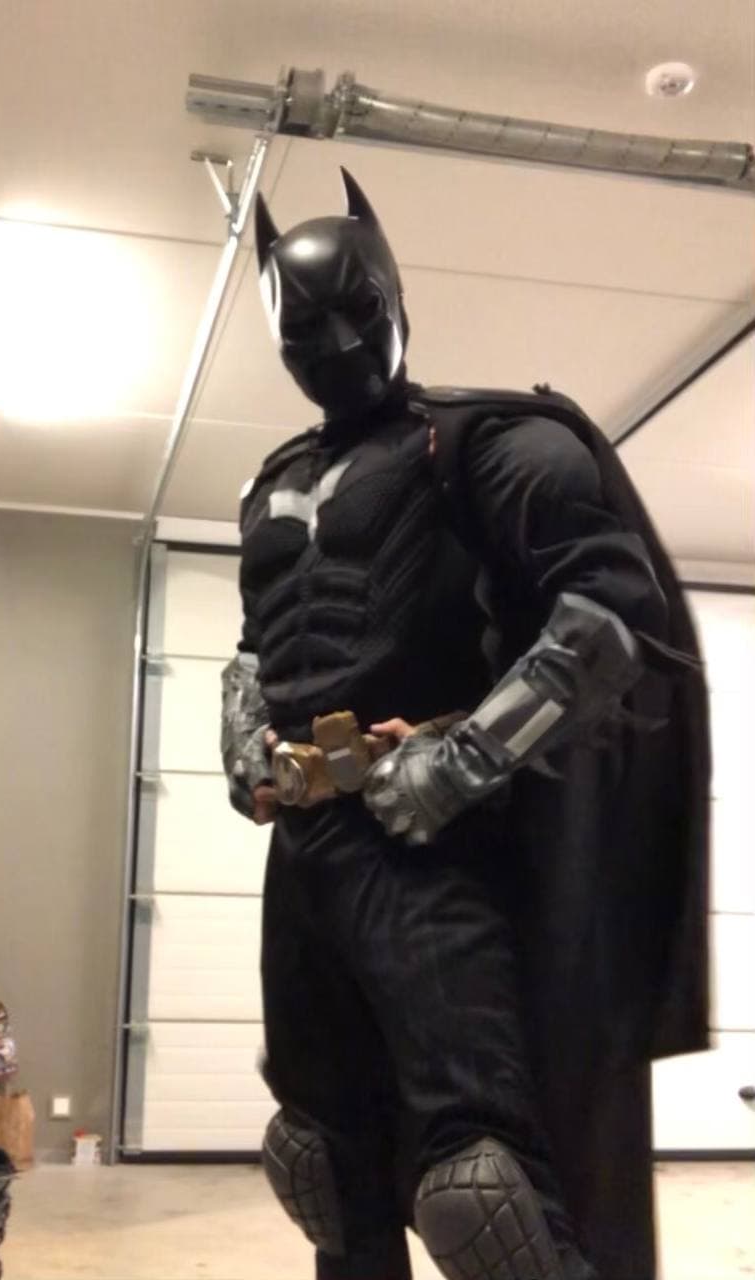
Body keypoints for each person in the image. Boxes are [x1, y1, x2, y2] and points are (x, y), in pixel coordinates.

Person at [220, 168, 709, 1280]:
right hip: (304, 851)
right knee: (323, 1161)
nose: (339, 342)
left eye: (358, 309)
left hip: (428, 848)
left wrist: (468, 755)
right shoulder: (269, 484)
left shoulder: (487, 442)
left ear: (398, 297)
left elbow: (605, 617)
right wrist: (240, 723)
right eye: (306, 325)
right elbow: (256, 644)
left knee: (483, 1195)